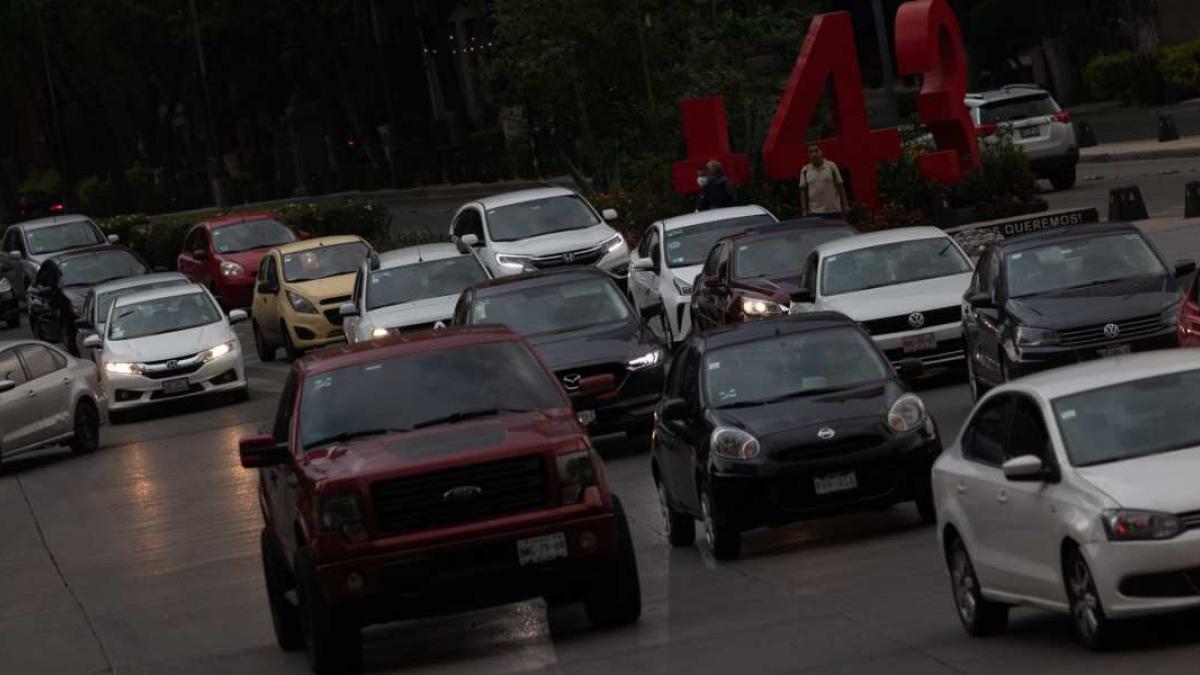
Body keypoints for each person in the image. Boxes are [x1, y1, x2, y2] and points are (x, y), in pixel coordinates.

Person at [799, 146, 849, 218]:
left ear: (821, 152)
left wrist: (845, 204)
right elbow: (803, 191)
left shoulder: (831, 166)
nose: (814, 154)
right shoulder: (805, 170)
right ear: (809, 155)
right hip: (815, 211)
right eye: (811, 152)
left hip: (833, 210)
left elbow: (840, 185)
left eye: (816, 151)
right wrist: (804, 210)